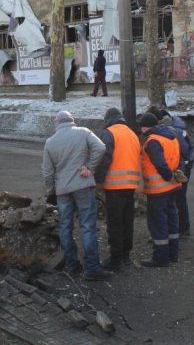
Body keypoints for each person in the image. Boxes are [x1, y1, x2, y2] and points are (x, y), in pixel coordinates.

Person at [42, 110, 111, 281]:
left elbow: (47, 171)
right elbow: (101, 147)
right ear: (72, 121)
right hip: (83, 186)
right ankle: (92, 269)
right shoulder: (83, 132)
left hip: (63, 190)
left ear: (57, 123)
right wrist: (89, 167)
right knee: (87, 226)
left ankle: (72, 265)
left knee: (65, 226)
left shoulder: (50, 142)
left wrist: (50, 191)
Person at [95, 107, 141, 269]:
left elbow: (104, 159)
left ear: (108, 120)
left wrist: (98, 181)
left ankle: (116, 259)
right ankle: (126, 255)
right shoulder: (132, 134)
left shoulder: (109, 133)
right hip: (131, 185)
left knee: (115, 222)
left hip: (115, 186)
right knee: (127, 221)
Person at [138, 111, 183, 267]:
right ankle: (173, 254)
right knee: (172, 220)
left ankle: (160, 258)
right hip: (173, 187)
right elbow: (179, 158)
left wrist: (167, 176)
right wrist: (174, 176)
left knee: (158, 223)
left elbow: (159, 164)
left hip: (158, 190)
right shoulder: (171, 137)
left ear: (145, 127)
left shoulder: (152, 141)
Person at [150, 107, 194, 237]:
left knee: (179, 198)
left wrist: (177, 166)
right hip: (183, 165)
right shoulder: (175, 127)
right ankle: (180, 228)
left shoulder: (174, 130)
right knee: (178, 198)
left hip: (182, 167)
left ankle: (182, 228)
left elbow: (183, 150)